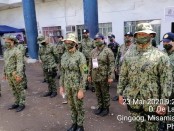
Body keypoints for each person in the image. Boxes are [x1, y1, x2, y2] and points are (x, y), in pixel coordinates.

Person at [117, 23, 172, 131]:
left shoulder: (160, 56)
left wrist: (163, 103)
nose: (142, 36)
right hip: (133, 98)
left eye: (145, 34)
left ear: (151, 35)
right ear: (136, 36)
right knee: (138, 125)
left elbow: (166, 81)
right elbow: (123, 75)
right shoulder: (129, 55)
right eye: (140, 34)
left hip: (152, 100)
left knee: (151, 127)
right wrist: (120, 93)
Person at [59, 32, 87, 131]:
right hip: (68, 85)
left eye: (69, 42)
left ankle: (80, 126)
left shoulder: (80, 56)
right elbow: (62, 72)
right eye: (65, 42)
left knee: (78, 106)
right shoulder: (64, 56)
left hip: (77, 86)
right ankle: (74, 123)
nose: (67, 43)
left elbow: (85, 73)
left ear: (74, 43)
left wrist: (81, 89)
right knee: (71, 106)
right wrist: (61, 86)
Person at [88, 33, 115, 117]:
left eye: (99, 39)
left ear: (103, 40)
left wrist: (110, 76)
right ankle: (100, 106)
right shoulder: (93, 51)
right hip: (95, 76)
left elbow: (111, 64)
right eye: (95, 39)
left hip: (104, 76)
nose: (97, 41)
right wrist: (89, 75)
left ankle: (106, 108)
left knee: (105, 93)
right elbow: (90, 64)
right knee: (98, 93)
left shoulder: (108, 51)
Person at [3, 34, 26, 112]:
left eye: (7, 41)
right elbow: (6, 63)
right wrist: (5, 73)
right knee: (13, 89)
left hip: (15, 74)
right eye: (5, 41)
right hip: (9, 74)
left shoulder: (17, 51)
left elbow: (20, 63)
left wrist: (19, 74)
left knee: (19, 89)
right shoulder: (6, 51)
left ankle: (22, 104)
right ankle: (17, 102)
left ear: (12, 41)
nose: (5, 43)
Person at [113, 32, 134, 101]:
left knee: (129, 82)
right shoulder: (121, 46)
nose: (127, 37)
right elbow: (118, 57)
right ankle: (119, 94)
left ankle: (127, 95)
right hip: (121, 67)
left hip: (130, 68)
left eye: (129, 36)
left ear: (132, 37)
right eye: (126, 36)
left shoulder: (135, 47)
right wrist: (115, 66)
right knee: (120, 81)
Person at [161, 32, 174, 131]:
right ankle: (163, 125)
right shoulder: (161, 54)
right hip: (162, 89)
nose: (165, 43)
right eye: (164, 42)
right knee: (162, 109)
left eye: (167, 41)